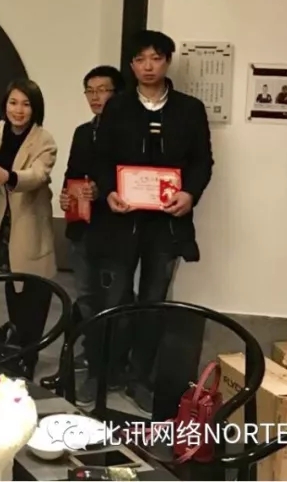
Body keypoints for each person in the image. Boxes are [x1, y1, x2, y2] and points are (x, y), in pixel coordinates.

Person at [90, 29, 214, 413]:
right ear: (131, 65)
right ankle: (104, 373)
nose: (148, 66)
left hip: (167, 224)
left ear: (168, 61)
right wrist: (109, 191)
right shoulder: (117, 107)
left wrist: (189, 194)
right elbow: (101, 157)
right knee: (114, 298)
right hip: (122, 221)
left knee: (153, 301)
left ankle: (140, 378)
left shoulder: (189, 109)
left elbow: (202, 161)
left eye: (156, 58)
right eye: (141, 59)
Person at [57, 65, 122, 404]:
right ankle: (93, 363)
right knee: (86, 299)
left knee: (112, 303)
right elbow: (72, 173)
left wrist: (103, 189)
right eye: (90, 91)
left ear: (117, 93)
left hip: (114, 230)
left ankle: (106, 370)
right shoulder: (83, 132)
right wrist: (65, 196)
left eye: (103, 90)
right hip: (81, 226)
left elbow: (129, 178)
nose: (96, 97)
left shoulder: (127, 131)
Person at [0, 79, 58, 378]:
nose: (18, 110)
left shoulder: (44, 139)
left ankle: (30, 356)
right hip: (3, 225)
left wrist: (10, 176)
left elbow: (38, 175)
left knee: (34, 294)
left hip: (29, 225)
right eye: (13, 103)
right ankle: (16, 351)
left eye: (26, 104)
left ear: (35, 108)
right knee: (12, 286)